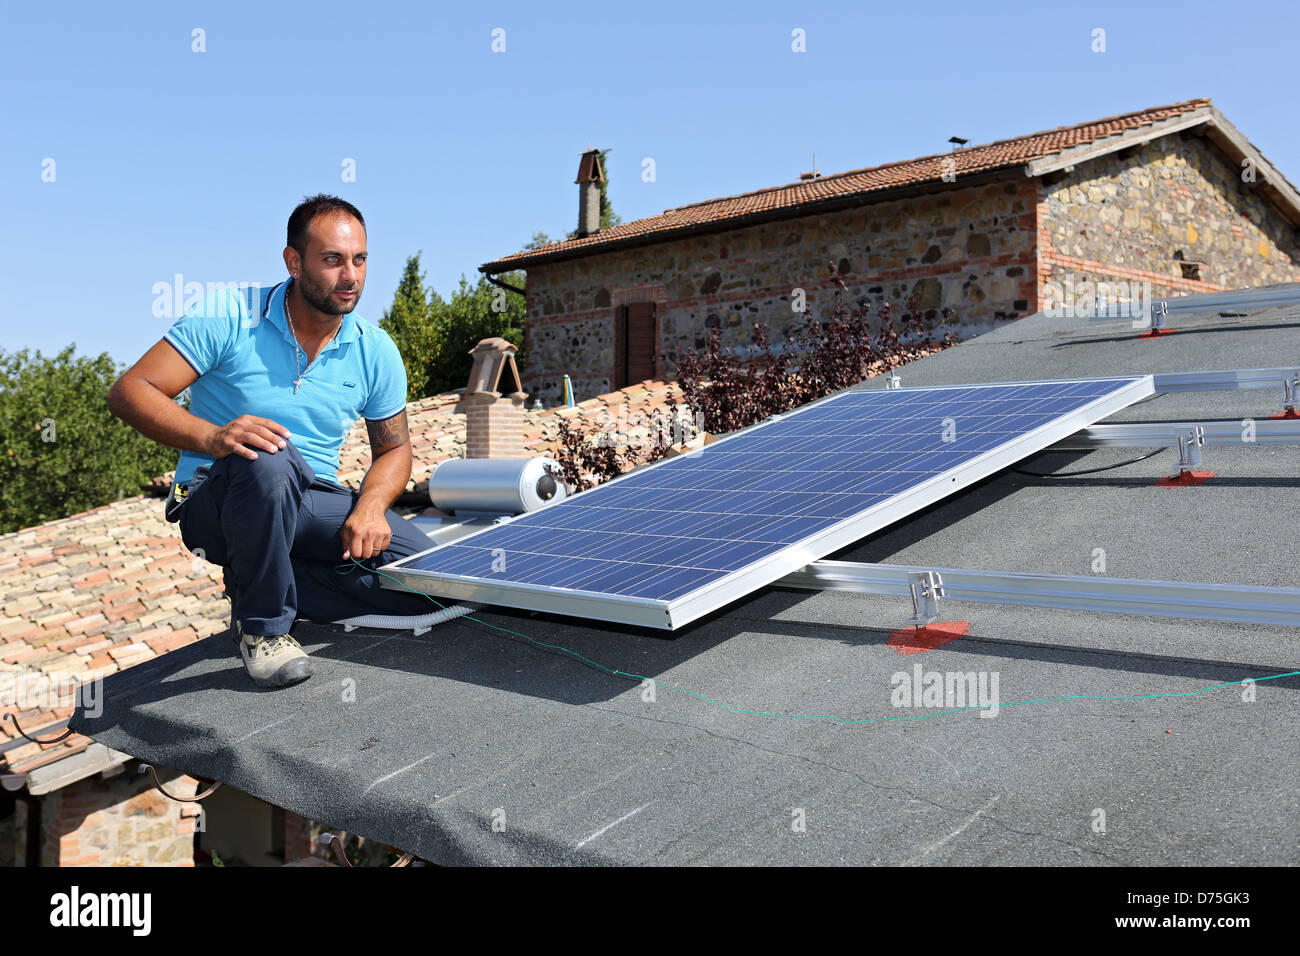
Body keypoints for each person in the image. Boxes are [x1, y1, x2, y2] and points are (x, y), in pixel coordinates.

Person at [108, 194, 437, 689]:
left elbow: (394, 449)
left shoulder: (375, 349)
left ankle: (274, 581)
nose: (350, 275)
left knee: (432, 584)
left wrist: (370, 507)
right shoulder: (228, 314)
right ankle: (264, 631)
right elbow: (130, 391)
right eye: (332, 260)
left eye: (359, 259)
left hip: (309, 500)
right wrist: (213, 436)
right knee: (268, 453)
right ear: (294, 261)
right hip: (218, 498)